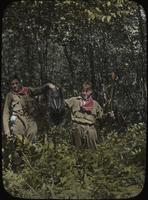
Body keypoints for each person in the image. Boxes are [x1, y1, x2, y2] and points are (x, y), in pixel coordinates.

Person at [3, 75, 55, 143]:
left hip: (30, 119)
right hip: (17, 120)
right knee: (19, 143)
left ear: (20, 83)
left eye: (16, 83)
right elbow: (6, 113)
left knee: (31, 141)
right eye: (12, 84)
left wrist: (48, 85)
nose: (15, 86)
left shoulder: (28, 90)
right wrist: (7, 130)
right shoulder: (10, 95)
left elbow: (39, 90)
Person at [65, 81, 114, 150]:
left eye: (87, 91)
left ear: (91, 91)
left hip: (90, 129)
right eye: (83, 91)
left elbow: (101, 118)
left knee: (92, 153)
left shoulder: (95, 104)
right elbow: (61, 104)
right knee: (77, 151)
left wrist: (108, 115)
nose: (84, 93)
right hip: (77, 128)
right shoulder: (74, 100)